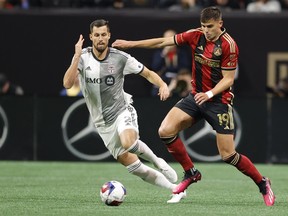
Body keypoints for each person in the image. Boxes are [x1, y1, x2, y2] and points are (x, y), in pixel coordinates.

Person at [112, 6, 276, 206]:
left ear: (220, 24)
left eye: (210, 26)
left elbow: (228, 79)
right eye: (203, 26)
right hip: (196, 97)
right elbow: (163, 42)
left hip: (218, 102)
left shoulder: (228, 45)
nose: (206, 30)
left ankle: (262, 183)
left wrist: (209, 93)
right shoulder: (195, 35)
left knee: (227, 155)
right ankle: (191, 172)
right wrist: (131, 44)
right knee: (165, 130)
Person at [63, 19, 186, 204]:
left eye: (104, 34)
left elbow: (147, 72)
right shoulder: (83, 57)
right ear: (91, 37)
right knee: (137, 168)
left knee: (129, 141)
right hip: (102, 123)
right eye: (96, 35)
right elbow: (67, 83)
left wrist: (162, 84)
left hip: (122, 109)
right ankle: (176, 189)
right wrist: (75, 56)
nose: (100, 38)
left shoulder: (120, 57)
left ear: (109, 35)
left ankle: (158, 161)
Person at [150, 29, 190, 97]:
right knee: (155, 91)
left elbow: (185, 66)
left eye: (171, 38)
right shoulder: (159, 54)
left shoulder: (182, 53)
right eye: (167, 38)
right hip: (163, 77)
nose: (169, 41)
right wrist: (163, 54)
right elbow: (155, 67)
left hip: (178, 77)